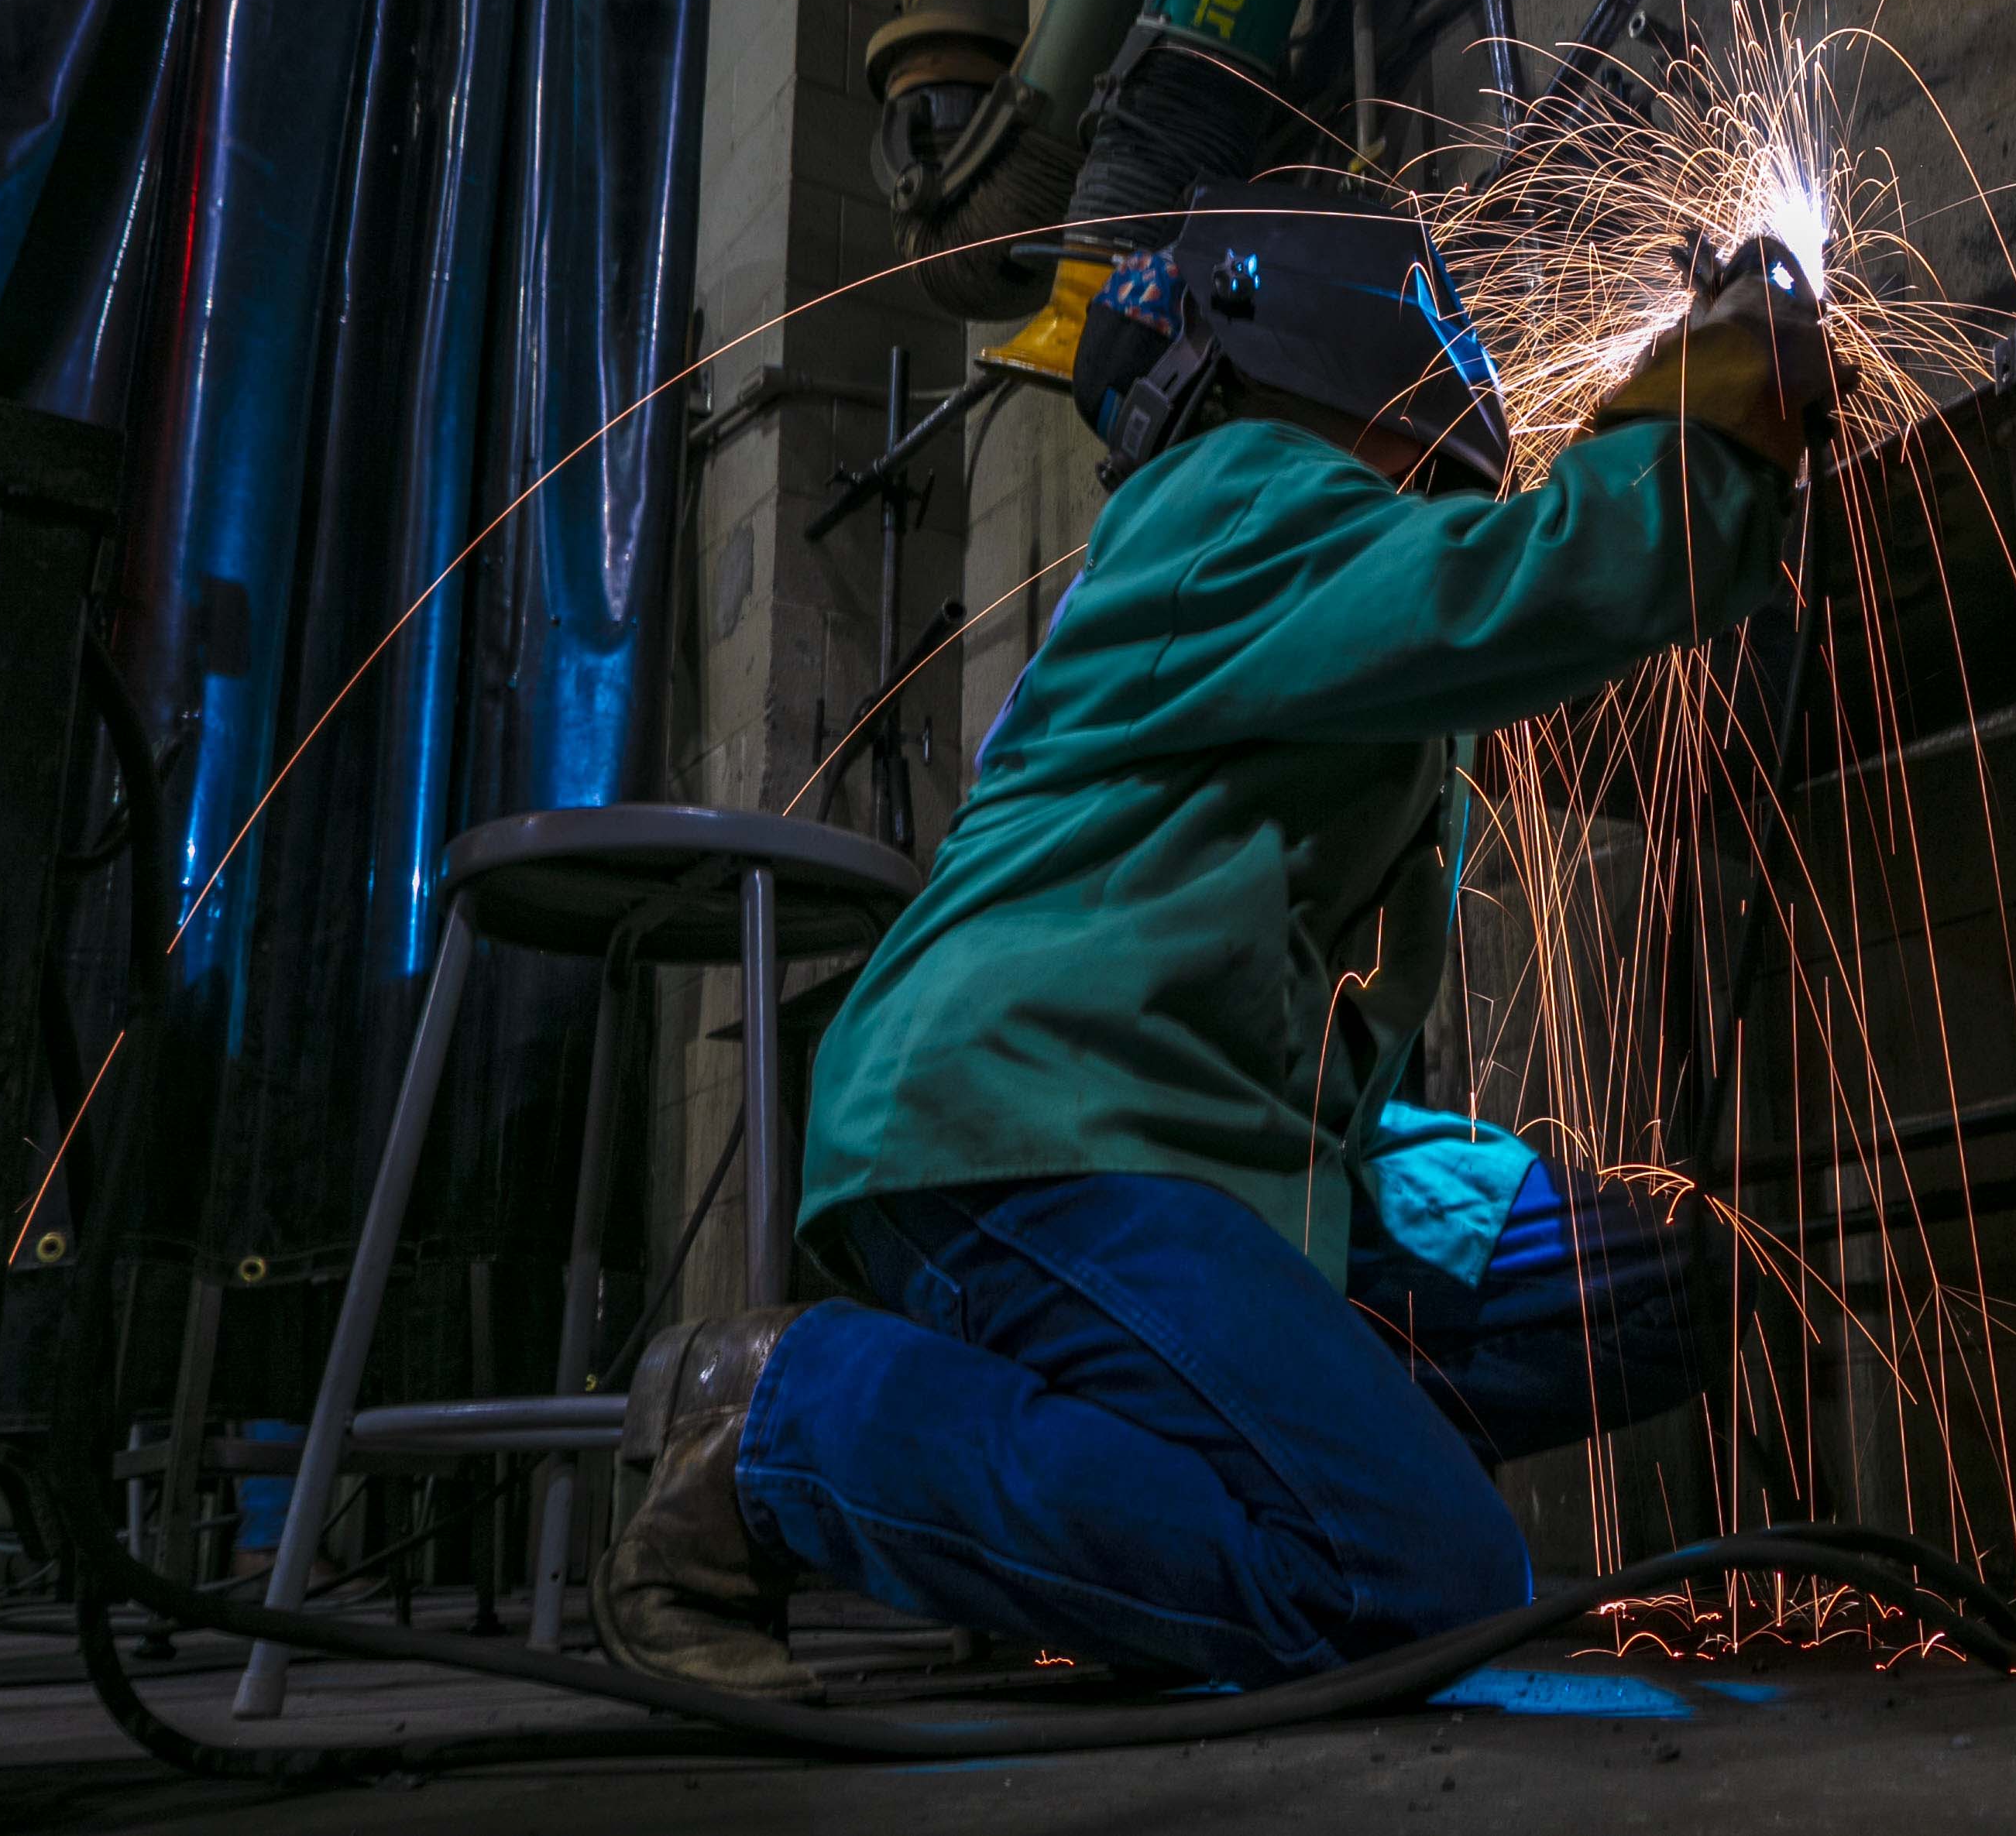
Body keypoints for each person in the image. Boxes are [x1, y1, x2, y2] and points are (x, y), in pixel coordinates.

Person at [589, 212, 1836, 1698]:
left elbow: (1292, 1016)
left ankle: (1148, 1463)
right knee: (1416, 1581)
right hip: (1028, 1123)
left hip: (1203, 1136)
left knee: (1645, 1284)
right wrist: (1706, 436)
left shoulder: (1314, 561)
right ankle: (788, 1433)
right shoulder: (1242, 494)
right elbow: (1510, 588)